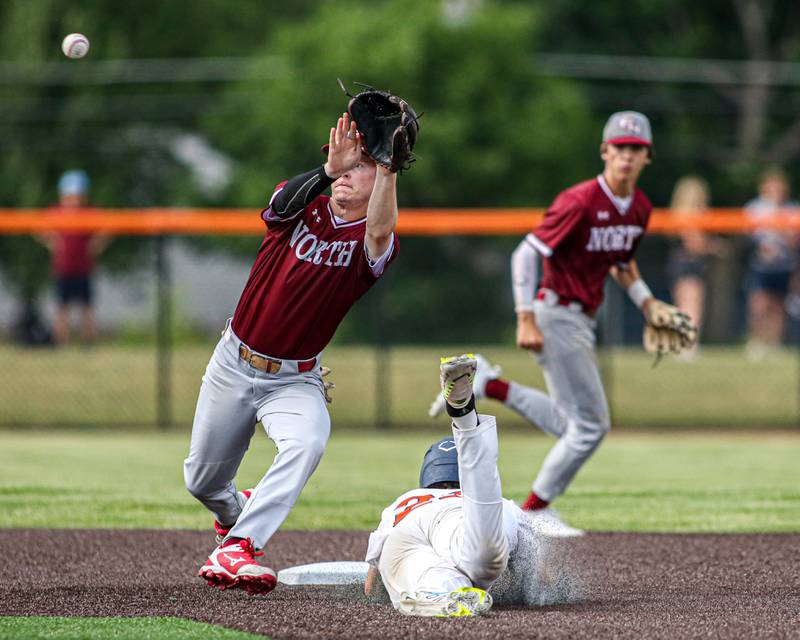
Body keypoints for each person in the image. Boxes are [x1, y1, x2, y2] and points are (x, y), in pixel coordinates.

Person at [186, 112, 401, 596]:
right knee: (201, 482)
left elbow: (382, 235)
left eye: (360, 166)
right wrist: (329, 170)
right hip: (233, 362)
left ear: (379, 178)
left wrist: (387, 171)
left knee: (307, 442)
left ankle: (239, 545)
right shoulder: (304, 205)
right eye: (343, 163)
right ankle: (234, 513)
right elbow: (280, 202)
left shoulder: (372, 239)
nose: (347, 172)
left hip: (294, 379)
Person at [430, 111, 666, 537]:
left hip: (579, 317)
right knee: (592, 427)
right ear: (605, 151)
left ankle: (492, 386)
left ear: (647, 156)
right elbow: (525, 253)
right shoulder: (579, 200)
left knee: (566, 424)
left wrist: (648, 305)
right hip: (556, 313)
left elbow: (622, 264)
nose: (627, 156)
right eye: (620, 147)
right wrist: (525, 317)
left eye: (636, 149)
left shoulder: (641, 208)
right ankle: (534, 512)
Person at [365, 355, 537, 617]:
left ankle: (444, 590)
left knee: (431, 578)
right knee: (484, 551)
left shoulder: (407, 500)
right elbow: (540, 577)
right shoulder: (508, 507)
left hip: (410, 532)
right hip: (477, 518)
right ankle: (465, 416)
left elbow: (371, 586)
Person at [40, 170, 108, 344]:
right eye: (69, 195)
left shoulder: (89, 213)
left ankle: (89, 344)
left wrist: (96, 244)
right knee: (62, 308)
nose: (73, 199)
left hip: (84, 268)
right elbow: (39, 226)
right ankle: (60, 343)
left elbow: (107, 227)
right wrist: (52, 241)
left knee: (87, 308)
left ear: (83, 196)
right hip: (63, 267)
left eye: (76, 195)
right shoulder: (57, 212)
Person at [666, 176, 727, 358]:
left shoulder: (676, 212)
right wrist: (716, 247)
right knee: (692, 306)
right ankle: (687, 346)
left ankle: (682, 344)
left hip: (679, 262)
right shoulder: (692, 215)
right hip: (690, 263)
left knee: (682, 305)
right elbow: (695, 243)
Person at [744, 167, 799, 359]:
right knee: (759, 304)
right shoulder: (755, 207)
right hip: (762, 264)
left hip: (784, 263)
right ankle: (757, 342)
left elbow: (795, 238)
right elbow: (749, 235)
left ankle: (775, 344)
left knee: (778, 305)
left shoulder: (792, 208)